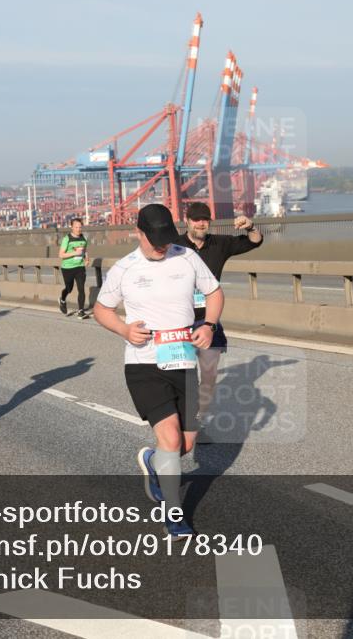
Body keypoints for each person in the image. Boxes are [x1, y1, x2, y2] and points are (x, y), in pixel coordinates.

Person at [94, 204, 223, 539]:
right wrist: (123, 330)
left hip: (183, 359)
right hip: (144, 364)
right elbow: (101, 309)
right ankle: (173, 514)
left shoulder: (186, 257)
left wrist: (208, 325)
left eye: (166, 238)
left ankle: (153, 462)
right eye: (155, 239)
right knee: (169, 438)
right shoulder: (124, 268)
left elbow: (214, 292)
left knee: (185, 445)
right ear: (139, 232)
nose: (162, 245)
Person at [175, 202, 263, 427]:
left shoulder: (220, 243)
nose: (201, 223)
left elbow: (255, 242)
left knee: (209, 376)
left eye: (205, 219)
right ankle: (177, 414)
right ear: (187, 221)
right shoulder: (174, 246)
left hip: (208, 320)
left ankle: (198, 419)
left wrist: (250, 227)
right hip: (178, 319)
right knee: (183, 376)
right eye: (196, 219)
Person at [58, 218, 89, 319]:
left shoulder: (83, 238)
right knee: (69, 288)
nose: (78, 229)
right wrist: (75, 253)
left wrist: (87, 259)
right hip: (68, 268)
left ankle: (81, 311)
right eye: (76, 227)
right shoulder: (67, 239)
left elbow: (85, 250)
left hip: (80, 267)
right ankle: (62, 299)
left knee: (81, 289)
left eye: (80, 227)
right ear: (72, 227)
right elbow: (61, 255)